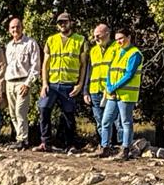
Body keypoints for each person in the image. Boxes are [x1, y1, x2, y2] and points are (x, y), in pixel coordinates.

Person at [39, 11, 86, 153]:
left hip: (69, 84)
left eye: (65, 22)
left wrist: (80, 84)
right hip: (52, 84)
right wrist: (44, 84)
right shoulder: (51, 40)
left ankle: (70, 145)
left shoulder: (80, 40)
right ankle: (45, 142)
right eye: (60, 22)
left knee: (69, 115)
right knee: (44, 109)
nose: (62, 24)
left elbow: (83, 65)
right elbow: (45, 64)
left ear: (70, 22)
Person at [3, 17, 41, 147]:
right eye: (12, 27)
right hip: (10, 82)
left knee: (20, 111)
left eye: (17, 26)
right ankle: (19, 138)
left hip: (23, 81)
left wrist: (28, 83)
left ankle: (23, 139)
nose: (15, 29)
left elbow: (35, 66)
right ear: (9, 30)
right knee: (13, 113)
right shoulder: (8, 46)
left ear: (22, 27)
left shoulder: (30, 43)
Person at [104, 29, 142, 158]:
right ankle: (105, 147)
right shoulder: (117, 52)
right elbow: (110, 70)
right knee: (106, 121)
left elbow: (129, 74)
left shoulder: (135, 54)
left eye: (121, 38)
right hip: (113, 94)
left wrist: (114, 87)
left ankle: (126, 149)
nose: (119, 41)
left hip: (126, 95)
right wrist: (109, 85)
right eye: (117, 39)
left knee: (126, 122)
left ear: (129, 37)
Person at [85, 23, 117, 156]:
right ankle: (104, 146)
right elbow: (89, 71)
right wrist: (85, 91)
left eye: (98, 35)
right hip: (94, 90)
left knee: (112, 120)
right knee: (99, 120)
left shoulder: (116, 48)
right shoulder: (93, 51)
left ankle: (115, 146)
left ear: (107, 34)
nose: (96, 38)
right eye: (94, 36)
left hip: (110, 91)